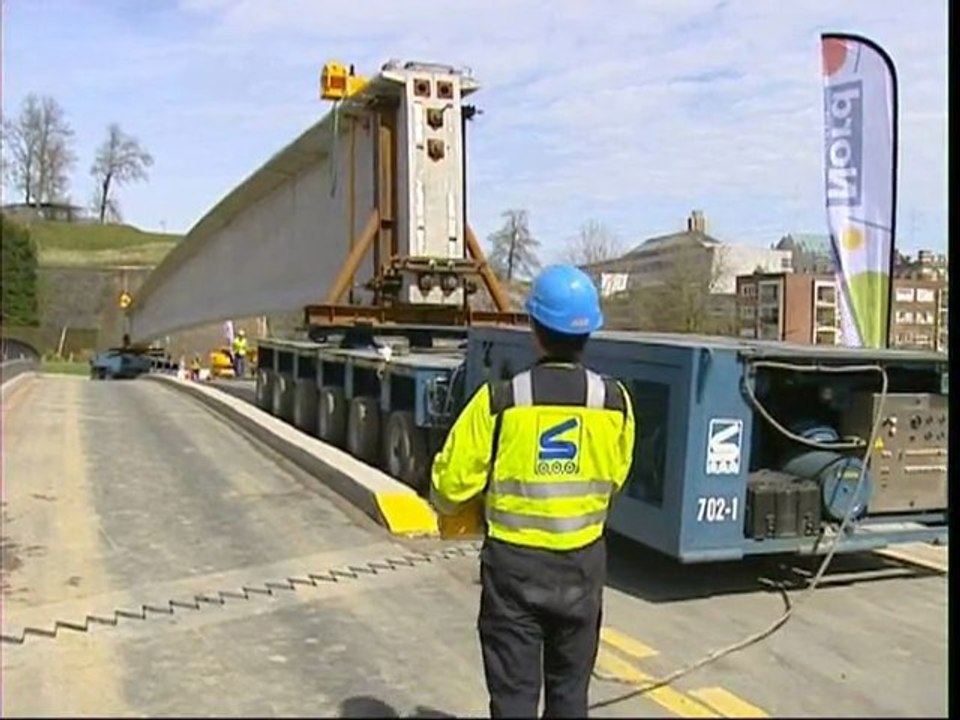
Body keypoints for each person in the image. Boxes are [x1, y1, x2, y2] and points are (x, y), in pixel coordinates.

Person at [430, 264, 636, 718]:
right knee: (570, 697)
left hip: (514, 571)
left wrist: (458, 508)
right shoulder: (616, 403)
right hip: (583, 566)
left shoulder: (499, 401)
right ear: (589, 333)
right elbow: (615, 479)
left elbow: (448, 486)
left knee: (514, 699)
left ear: (534, 329)